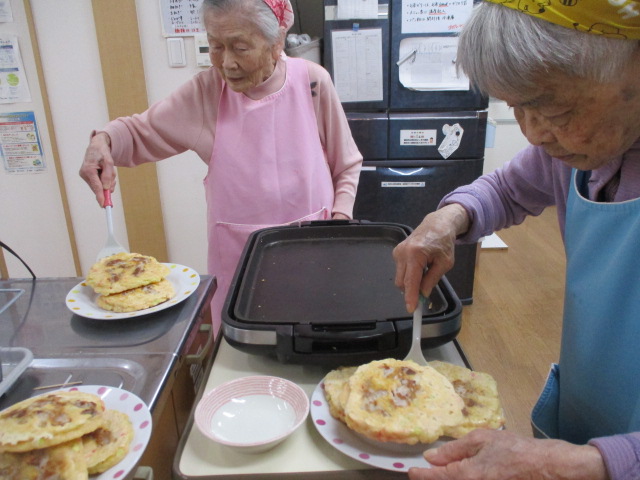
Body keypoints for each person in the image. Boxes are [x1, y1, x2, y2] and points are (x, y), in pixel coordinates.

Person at [392, 1, 640, 479]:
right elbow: (506, 189)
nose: (533, 134)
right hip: (590, 408)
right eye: (516, 107)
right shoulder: (575, 150)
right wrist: (451, 218)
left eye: (556, 110)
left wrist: (580, 467)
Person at [80, 0, 362, 334]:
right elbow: (138, 131)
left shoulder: (312, 83)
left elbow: (347, 164)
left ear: (276, 42)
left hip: (312, 252)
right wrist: (103, 141)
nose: (226, 63)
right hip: (240, 266)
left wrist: (338, 223)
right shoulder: (207, 92)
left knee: (313, 341)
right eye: (215, 46)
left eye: (240, 48)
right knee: (243, 353)